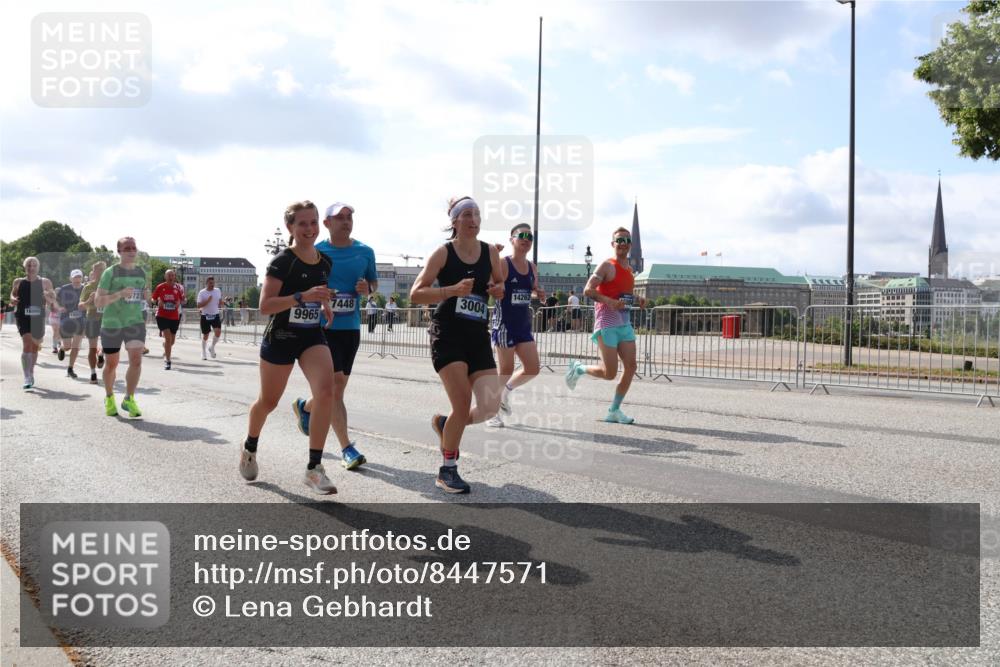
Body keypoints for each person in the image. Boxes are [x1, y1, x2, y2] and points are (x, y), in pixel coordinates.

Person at [240, 200, 338, 494]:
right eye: (302, 224)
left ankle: (314, 468)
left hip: (310, 336)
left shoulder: (325, 262)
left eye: (313, 222)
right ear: (290, 228)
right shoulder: (283, 261)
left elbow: (318, 293)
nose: (309, 229)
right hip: (281, 337)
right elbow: (265, 306)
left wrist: (324, 304)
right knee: (267, 402)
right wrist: (301, 296)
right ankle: (250, 446)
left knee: (327, 391)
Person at [409, 195, 504, 494]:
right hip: (447, 332)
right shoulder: (443, 253)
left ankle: (447, 425)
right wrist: (449, 291)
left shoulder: (490, 253)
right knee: (462, 404)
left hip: (477, 335)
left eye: (476, 213)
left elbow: (499, 285)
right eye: (466, 214)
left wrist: (497, 289)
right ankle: (447, 470)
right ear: (454, 221)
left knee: (490, 406)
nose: (473, 219)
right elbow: (415, 294)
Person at [292, 201, 378, 471]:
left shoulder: (365, 252)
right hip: (321, 328)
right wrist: (318, 296)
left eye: (349, 216)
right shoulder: (315, 252)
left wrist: (368, 288)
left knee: (336, 387)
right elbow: (302, 287)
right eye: (339, 217)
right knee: (334, 388)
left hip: (350, 328)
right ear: (326, 223)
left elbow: (373, 284)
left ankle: (307, 406)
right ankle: (347, 447)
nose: (346, 221)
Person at [565, 227, 646, 424]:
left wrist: (638, 298)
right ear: (613, 244)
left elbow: (623, 294)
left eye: (626, 240)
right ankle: (579, 368)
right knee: (609, 373)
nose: (623, 243)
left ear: (630, 244)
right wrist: (609, 302)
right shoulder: (606, 266)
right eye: (619, 240)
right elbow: (587, 290)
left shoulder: (629, 271)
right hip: (607, 323)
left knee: (631, 366)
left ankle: (614, 410)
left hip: (624, 323)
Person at [487, 223, 545, 428]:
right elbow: (489, 284)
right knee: (506, 368)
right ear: (512, 239)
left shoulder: (532, 267)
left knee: (532, 368)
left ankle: (506, 392)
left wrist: (539, 293)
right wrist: (495, 287)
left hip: (523, 325)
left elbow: (533, 288)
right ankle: (491, 411)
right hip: (504, 323)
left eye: (530, 237)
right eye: (522, 235)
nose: (526, 239)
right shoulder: (504, 263)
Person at [95, 237, 149, 417]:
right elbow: (98, 301)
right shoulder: (110, 272)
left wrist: (146, 295)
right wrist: (119, 294)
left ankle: (129, 398)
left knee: (136, 360)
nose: (131, 250)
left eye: (134, 247)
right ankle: (109, 397)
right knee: (112, 364)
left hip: (134, 322)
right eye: (127, 248)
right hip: (112, 323)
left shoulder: (141, 272)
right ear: (119, 251)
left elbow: (143, 295)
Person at [10, 257, 55, 389]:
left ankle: (31, 371)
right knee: (27, 343)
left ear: (38, 267)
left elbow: (53, 298)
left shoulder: (45, 282)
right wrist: (13, 300)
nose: (31, 268)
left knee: (35, 347)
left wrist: (48, 296)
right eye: (29, 265)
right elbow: (12, 295)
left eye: (34, 265)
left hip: (38, 317)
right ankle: (26, 376)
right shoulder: (18, 282)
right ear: (25, 267)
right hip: (22, 316)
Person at [78, 261, 107, 384]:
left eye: (101, 270)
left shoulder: (110, 286)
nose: (99, 272)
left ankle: (100, 354)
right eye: (97, 270)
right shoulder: (88, 287)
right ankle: (93, 373)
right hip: (92, 318)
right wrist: (89, 300)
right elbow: (80, 306)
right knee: (92, 347)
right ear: (93, 272)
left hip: (107, 318)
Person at [55, 269, 87, 378]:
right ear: (71, 278)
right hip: (66, 321)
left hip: (80, 320)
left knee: (76, 346)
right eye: (75, 277)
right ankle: (62, 349)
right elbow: (55, 303)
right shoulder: (64, 289)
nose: (77, 279)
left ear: (82, 278)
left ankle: (70, 368)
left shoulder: (85, 289)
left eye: (79, 277)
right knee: (68, 347)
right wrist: (60, 307)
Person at [151, 269, 185, 370]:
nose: (170, 277)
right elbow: (153, 299)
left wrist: (178, 303)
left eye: (172, 275)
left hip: (174, 317)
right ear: (165, 277)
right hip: (162, 316)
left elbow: (180, 300)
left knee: (171, 341)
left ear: (174, 277)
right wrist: (157, 302)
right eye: (169, 275)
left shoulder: (177, 288)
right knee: (168, 338)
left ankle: (166, 346)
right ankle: (168, 361)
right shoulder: (160, 287)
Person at [197, 276, 223, 359]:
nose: (212, 284)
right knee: (206, 335)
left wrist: (223, 302)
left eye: (213, 283)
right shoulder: (202, 292)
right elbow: (198, 305)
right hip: (205, 315)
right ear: (206, 283)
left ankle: (211, 347)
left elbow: (219, 301)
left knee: (218, 332)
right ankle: (203, 352)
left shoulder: (217, 291)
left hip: (215, 315)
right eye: (210, 283)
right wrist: (207, 301)